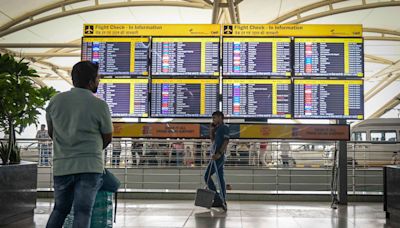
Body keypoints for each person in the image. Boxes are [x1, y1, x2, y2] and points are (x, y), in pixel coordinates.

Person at [45, 61, 113, 228]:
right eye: (98, 78)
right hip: (89, 167)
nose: (99, 81)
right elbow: (108, 136)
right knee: (83, 212)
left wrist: (67, 146)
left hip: (62, 165)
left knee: (60, 210)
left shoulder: (55, 101)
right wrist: (93, 150)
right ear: (90, 82)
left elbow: (51, 131)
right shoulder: (99, 105)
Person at [204, 111, 229, 211]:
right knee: (220, 177)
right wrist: (212, 130)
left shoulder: (225, 128)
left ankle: (218, 198)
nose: (213, 119)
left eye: (214, 118)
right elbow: (213, 141)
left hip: (219, 156)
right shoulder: (217, 128)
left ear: (220, 117)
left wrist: (219, 153)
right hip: (215, 156)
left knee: (206, 176)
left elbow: (226, 141)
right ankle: (222, 200)